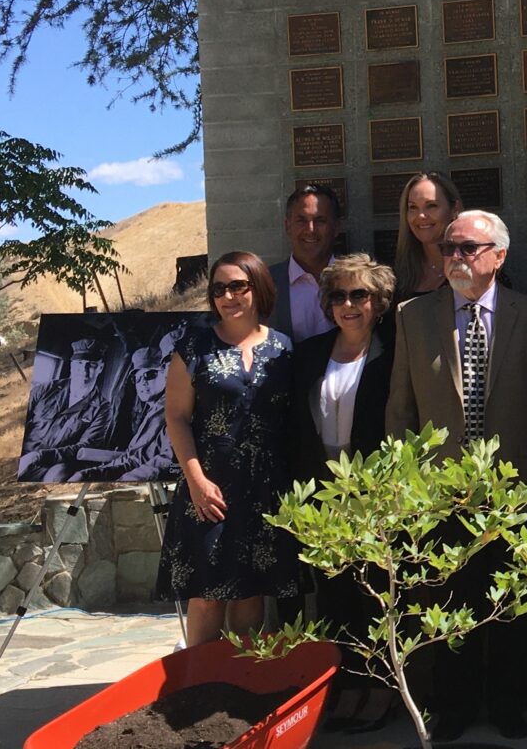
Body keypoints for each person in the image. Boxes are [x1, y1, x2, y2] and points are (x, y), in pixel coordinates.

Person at [385, 210, 527, 740]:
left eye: (469, 248)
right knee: (448, 605)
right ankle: (456, 707)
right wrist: (407, 487)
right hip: (440, 497)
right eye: (450, 248)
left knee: (513, 608)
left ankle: (510, 705)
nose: (457, 257)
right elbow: (401, 409)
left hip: (515, 496)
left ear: (499, 256)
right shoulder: (413, 318)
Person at [156, 252, 297, 646]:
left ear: (259, 288)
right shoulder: (195, 346)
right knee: (207, 596)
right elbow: (176, 417)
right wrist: (196, 480)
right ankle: (199, 685)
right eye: (219, 289)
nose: (228, 296)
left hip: (265, 488)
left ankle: (240, 691)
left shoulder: (284, 349)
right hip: (210, 488)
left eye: (238, 286)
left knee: (251, 593)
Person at [285, 254, 397, 634]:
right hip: (322, 496)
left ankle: (380, 691)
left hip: (377, 496)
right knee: (333, 597)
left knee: (377, 596)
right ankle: (343, 686)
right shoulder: (308, 354)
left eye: (358, 295)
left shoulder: (395, 354)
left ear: (378, 302)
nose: (347, 305)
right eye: (338, 297)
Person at [267, 183, 342, 343]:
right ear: (288, 226)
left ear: (336, 227)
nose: (310, 229)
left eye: (320, 220)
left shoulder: (359, 280)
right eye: (301, 220)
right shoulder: (266, 283)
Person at [393, 171, 463, 298]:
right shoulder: (396, 277)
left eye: (431, 206)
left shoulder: (476, 269)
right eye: (413, 208)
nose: (421, 215)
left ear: (454, 209)